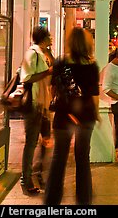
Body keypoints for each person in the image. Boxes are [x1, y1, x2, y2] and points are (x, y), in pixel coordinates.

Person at [44, 27, 100, 205]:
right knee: (82, 158)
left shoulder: (60, 62)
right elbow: (94, 95)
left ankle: (52, 201)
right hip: (85, 116)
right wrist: (96, 114)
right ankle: (84, 201)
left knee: (59, 158)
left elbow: (52, 88)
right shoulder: (91, 65)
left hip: (63, 115)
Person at [19, 26, 53, 195]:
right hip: (33, 104)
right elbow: (26, 77)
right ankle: (26, 179)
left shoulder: (44, 53)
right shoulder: (32, 53)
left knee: (46, 140)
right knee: (31, 143)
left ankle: (40, 174)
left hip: (44, 105)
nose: (52, 39)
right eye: (49, 36)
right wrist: (48, 72)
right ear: (43, 38)